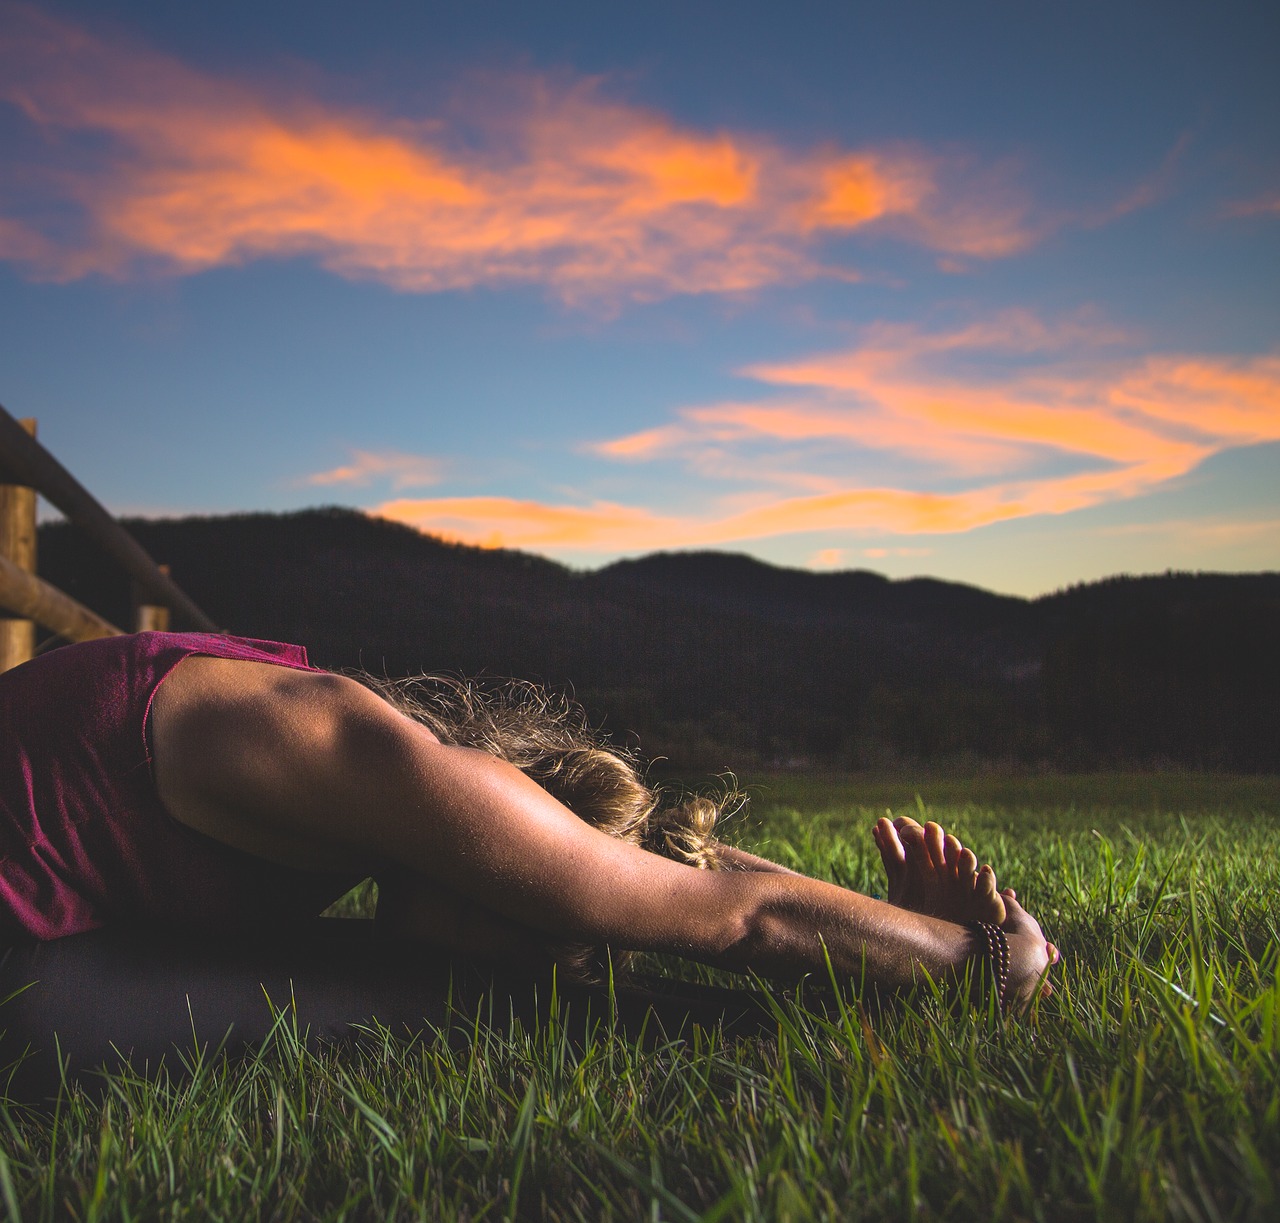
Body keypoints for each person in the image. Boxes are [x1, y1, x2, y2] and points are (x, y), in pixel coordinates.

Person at [1, 631, 1057, 1103]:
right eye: (562, 922)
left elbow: (671, 876)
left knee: (462, 988)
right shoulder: (365, 751)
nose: (564, 953)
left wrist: (869, 925)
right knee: (440, 995)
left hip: (54, 935)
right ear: (514, 830)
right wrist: (980, 953)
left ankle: (854, 1000)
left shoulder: (367, 790)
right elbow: (733, 917)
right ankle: (903, 993)